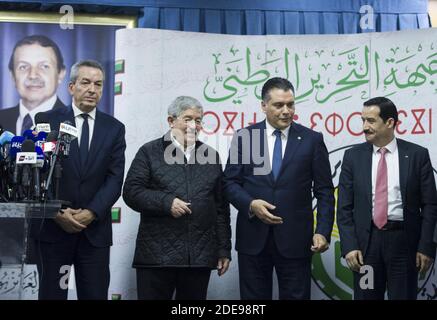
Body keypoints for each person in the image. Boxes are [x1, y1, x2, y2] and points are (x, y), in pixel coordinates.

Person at [223, 77, 335, 300]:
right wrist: (250, 204)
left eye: (290, 104)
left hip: (296, 240)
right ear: (263, 106)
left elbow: (324, 191)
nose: (286, 111)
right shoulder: (246, 137)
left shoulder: (312, 140)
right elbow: (229, 182)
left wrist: (322, 231)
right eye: (278, 105)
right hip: (253, 238)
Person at [30, 60, 126, 300]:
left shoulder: (114, 128)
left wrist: (91, 212)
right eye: (85, 82)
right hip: (53, 229)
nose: (92, 89)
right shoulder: (46, 120)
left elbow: (115, 179)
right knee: (52, 295)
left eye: (98, 84)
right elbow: (37, 172)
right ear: (71, 87)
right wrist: (57, 211)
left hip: (93, 233)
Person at [123, 96, 231, 300]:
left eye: (198, 120)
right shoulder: (149, 152)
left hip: (199, 258)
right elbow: (131, 192)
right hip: (157, 256)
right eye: (187, 119)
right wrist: (166, 202)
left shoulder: (211, 156)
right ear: (171, 121)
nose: (194, 125)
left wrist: (223, 249)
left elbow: (220, 208)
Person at [337, 97, 437, 300]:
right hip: (367, 247)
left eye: (371, 121)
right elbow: (344, 208)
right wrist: (349, 246)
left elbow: (430, 206)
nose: (365, 126)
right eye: (363, 120)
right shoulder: (353, 157)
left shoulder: (417, 155)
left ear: (390, 122)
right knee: (367, 296)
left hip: (404, 246)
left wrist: (426, 247)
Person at [0, 35, 66, 134]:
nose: (33, 75)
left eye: (44, 66)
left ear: (60, 74)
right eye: (23, 67)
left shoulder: (73, 122)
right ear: (12, 76)